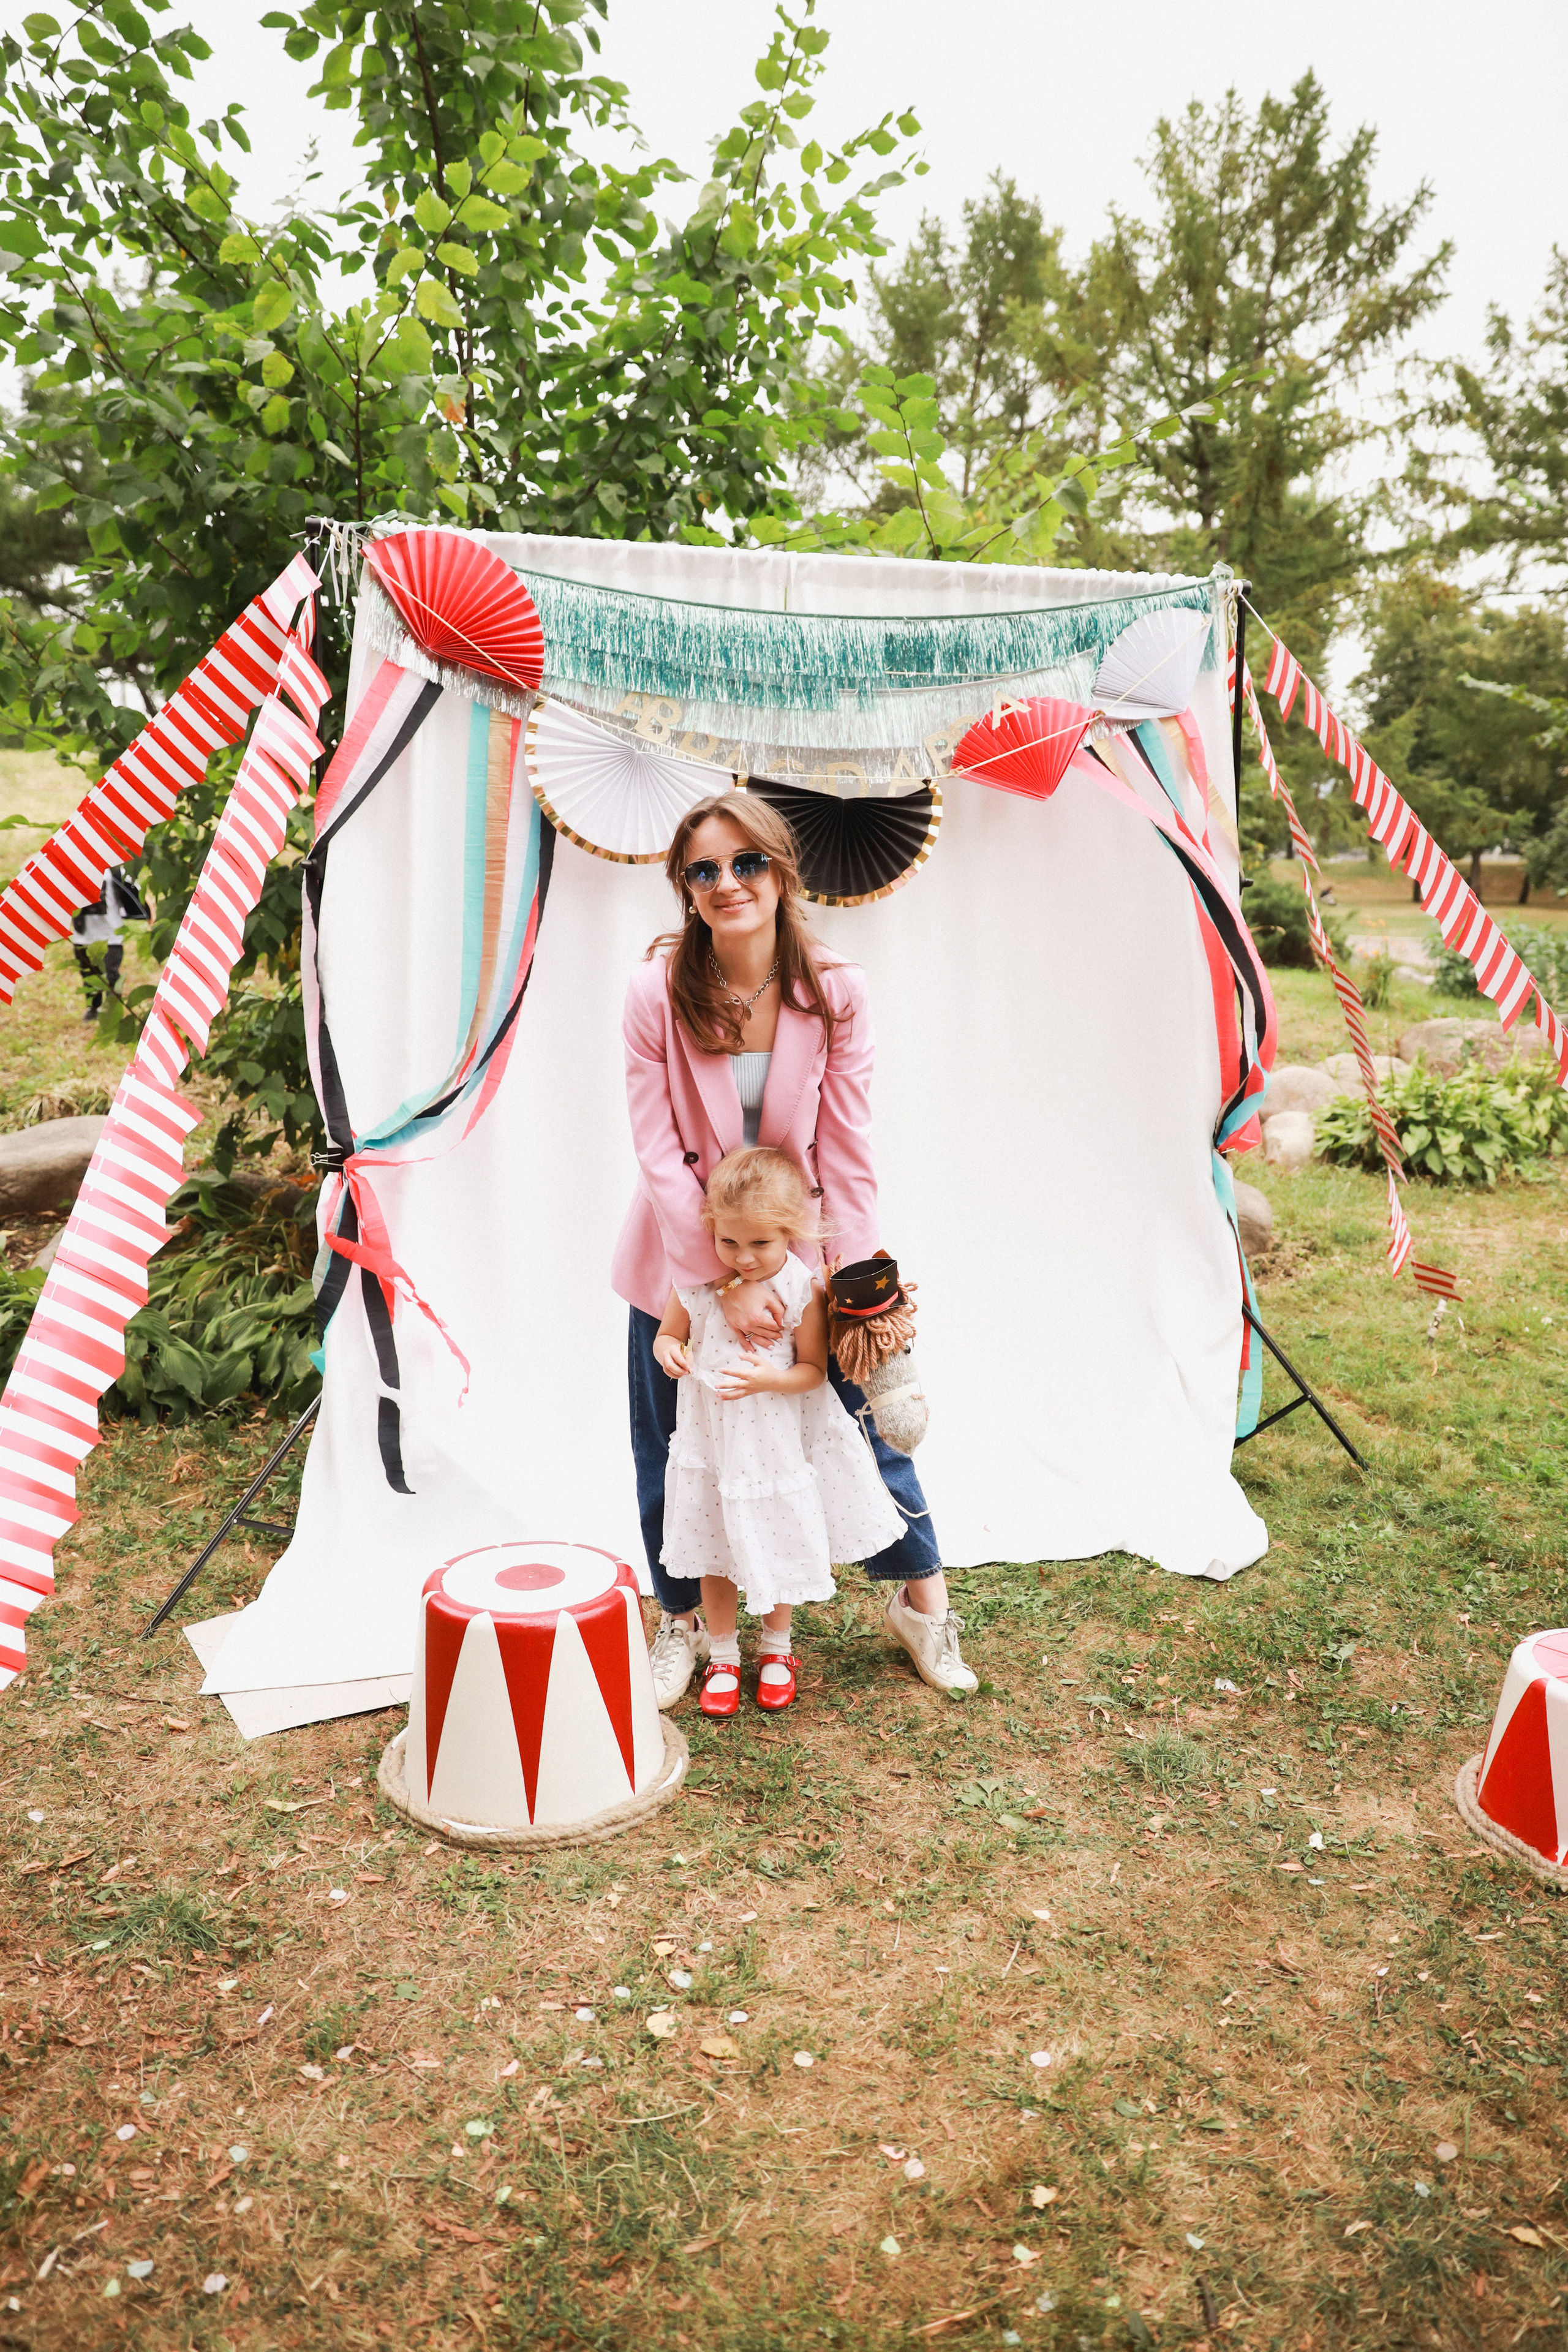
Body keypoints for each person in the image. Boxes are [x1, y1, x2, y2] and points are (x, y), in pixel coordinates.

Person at [612, 789, 977, 1706]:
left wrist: (861, 1298)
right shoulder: (655, 990)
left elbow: (846, 1155)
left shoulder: (834, 988)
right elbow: (657, 1151)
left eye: (746, 863)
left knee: (862, 1432)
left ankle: (922, 1603)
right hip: (677, 1262)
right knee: (673, 1447)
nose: (727, 883)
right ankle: (682, 1623)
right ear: (684, 889)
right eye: (704, 870)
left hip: (801, 1264)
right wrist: (710, 1286)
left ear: (781, 870)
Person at [652, 1146, 906, 1717]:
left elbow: (813, 1372)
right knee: (712, 1544)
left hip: (769, 1447)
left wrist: (771, 1378)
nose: (743, 1258)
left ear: (790, 1233)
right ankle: (721, 1651)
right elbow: (668, 1334)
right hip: (711, 1444)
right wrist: (669, 1350)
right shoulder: (696, 1282)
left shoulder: (801, 1288)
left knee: (777, 1537)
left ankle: (777, 1647)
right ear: (711, 1231)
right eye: (729, 1242)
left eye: (760, 1244)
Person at [71, 865, 146, 1020]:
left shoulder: (114, 871)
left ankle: (113, 1012)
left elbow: (134, 892)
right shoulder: (72, 869)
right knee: (89, 974)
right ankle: (93, 1007)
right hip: (84, 936)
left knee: (112, 975)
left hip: (111, 936)